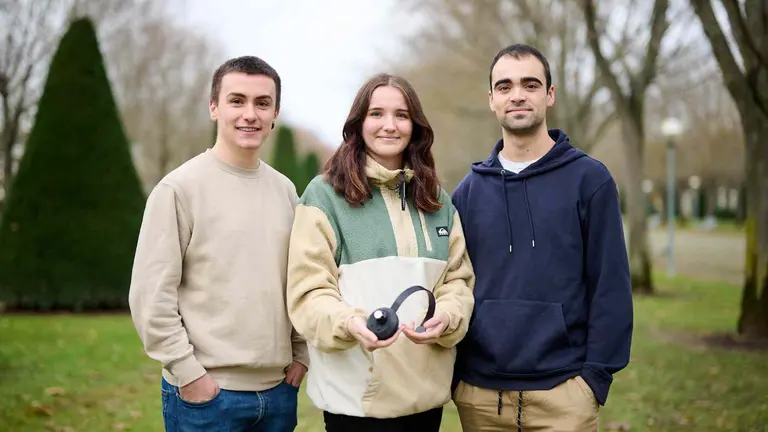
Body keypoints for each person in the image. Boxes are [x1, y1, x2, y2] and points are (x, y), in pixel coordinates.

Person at [450, 44, 633, 430]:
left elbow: (610, 286)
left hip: (565, 396)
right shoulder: (467, 193)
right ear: (491, 99)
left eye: (530, 85)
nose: (517, 95)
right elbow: (454, 286)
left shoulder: (590, 181)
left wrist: (593, 380)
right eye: (505, 87)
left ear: (549, 95)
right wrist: (458, 380)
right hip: (481, 398)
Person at [285, 73, 475, 432]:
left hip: (425, 399)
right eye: (377, 114)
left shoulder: (437, 200)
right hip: (354, 404)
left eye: (401, 115)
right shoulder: (324, 196)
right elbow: (308, 293)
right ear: (359, 123)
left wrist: (447, 316)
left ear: (415, 126)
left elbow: (458, 282)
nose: (390, 125)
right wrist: (349, 323)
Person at [128, 56, 308, 432]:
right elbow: (150, 296)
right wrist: (189, 374)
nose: (250, 114)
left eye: (262, 103)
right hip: (207, 399)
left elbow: (297, 280)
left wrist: (301, 353)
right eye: (236, 101)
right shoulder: (178, 189)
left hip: (278, 394)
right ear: (214, 107)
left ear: (275, 113)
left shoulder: (286, 191)